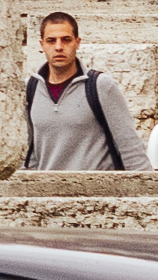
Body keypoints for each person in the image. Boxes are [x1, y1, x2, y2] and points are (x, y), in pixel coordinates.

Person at [23, 11, 144, 172]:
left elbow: (130, 146)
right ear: (42, 45)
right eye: (51, 41)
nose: (59, 47)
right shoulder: (29, 88)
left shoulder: (100, 85)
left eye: (66, 40)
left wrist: (147, 193)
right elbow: (26, 154)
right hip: (46, 193)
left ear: (77, 42)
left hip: (96, 193)